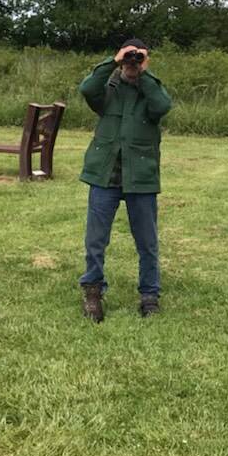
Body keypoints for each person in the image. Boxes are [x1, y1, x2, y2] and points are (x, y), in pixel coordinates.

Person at [77, 38, 173, 321]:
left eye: (138, 59)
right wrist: (113, 61)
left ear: (146, 61)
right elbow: (86, 88)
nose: (132, 64)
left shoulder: (151, 90)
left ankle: (149, 296)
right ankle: (93, 292)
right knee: (96, 239)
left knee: (147, 241)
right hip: (104, 175)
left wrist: (144, 73)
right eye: (129, 59)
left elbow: (163, 105)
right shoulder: (108, 89)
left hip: (140, 178)